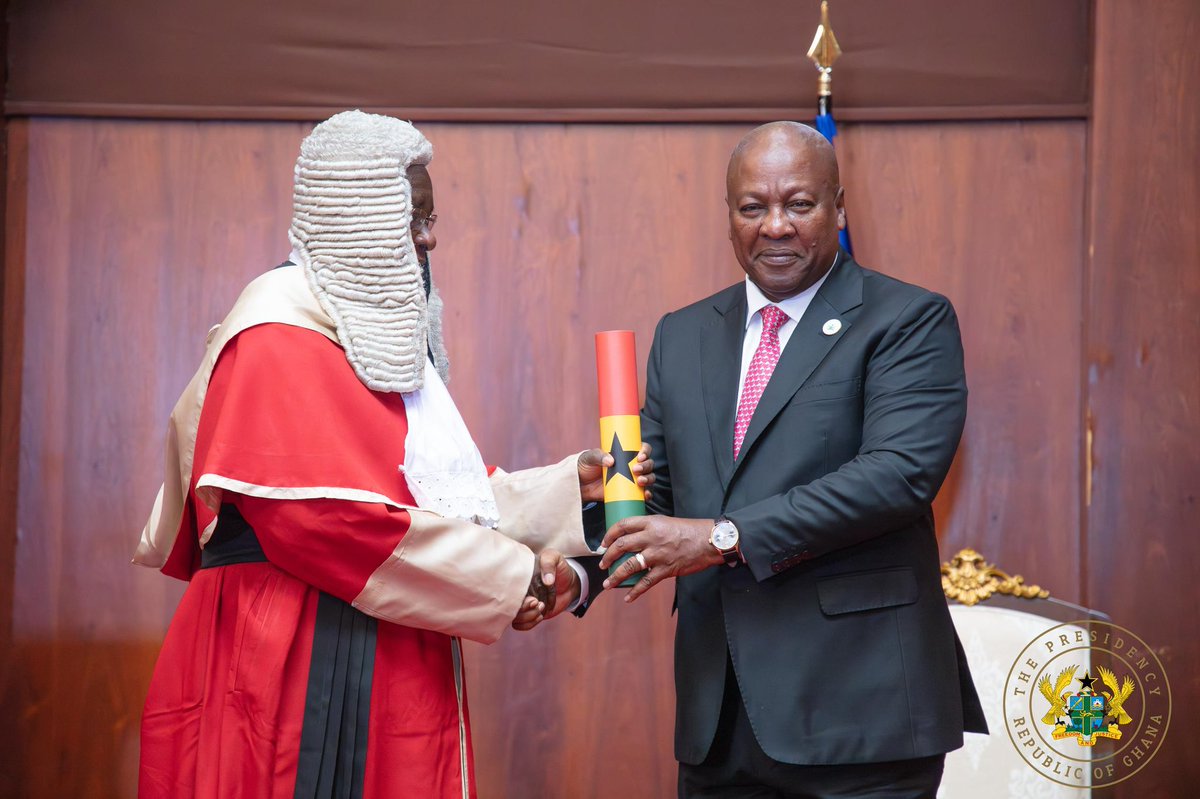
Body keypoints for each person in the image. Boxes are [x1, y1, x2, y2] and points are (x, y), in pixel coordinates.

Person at [133, 110, 648, 798]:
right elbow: (327, 520)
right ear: (359, 217)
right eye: (415, 219)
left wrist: (570, 489)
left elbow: (431, 493)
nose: (431, 236)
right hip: (290, 653)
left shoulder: (357, 328)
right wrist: (515, 576)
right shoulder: (275, 332)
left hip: (381, 628)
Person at [598, 121, 986, 798]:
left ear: (839, 208)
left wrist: (723, 537)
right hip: (719, 724)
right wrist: (603, 492)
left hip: (861, 715)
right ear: (730, 218)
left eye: (798, 204)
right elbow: (660, 506)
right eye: (753, 207)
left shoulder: (908, 319)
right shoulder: (682, 333)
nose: (775, 226)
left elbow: (897, 477)